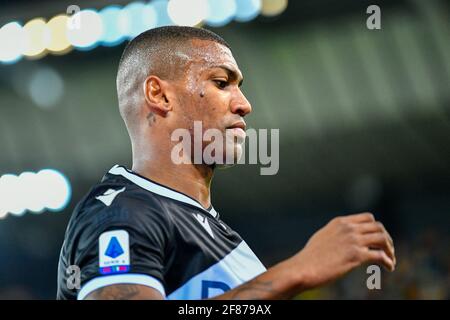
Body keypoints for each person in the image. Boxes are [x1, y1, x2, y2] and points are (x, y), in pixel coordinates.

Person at [56, 26, 396, 300]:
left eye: (240, 87)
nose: (245, 104)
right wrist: (296, 271)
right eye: (221, 83)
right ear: (159, 96)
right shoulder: (121, 215)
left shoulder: (212, 231)